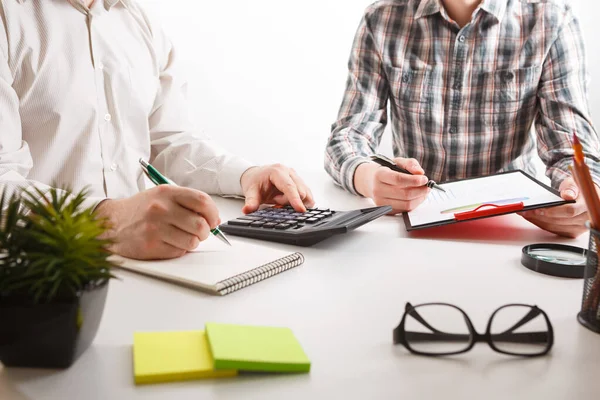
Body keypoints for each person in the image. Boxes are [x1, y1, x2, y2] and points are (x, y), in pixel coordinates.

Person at [0, 0, 314, 260]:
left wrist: (247, 175)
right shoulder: (8, 16)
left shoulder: (139, 19)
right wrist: (108, 221)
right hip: (37, 273)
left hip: (148, 264)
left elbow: (169, 140)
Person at [325, 0, 600, 238]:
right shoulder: (382, 19)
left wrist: (580, 194)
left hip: (513, 227)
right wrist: (369, 178)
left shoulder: (551, 19)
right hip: (412, 229)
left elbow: (572, 151)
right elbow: (348, 137)